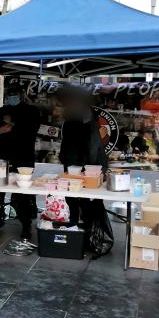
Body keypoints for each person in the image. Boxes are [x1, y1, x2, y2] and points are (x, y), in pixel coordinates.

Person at [0, 83, 40, 239]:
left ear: (21, 95)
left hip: (23, 158)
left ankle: (26, 225)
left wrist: (12, 124)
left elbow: (32, 130)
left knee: (23, 194)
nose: (12, 97)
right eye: (10, 95)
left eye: (14, 94)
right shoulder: (0, 111)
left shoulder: (31, 111)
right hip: (2, 156)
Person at [59, 86, 108, 229]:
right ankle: (78, 224)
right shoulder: (71, 119)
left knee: (84, 198)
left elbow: (93, 145)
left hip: (85, 166)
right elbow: (66, 144)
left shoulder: (87, 118)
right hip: (74, 165)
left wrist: (94, 168)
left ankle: (84, 226)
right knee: (73, 197)